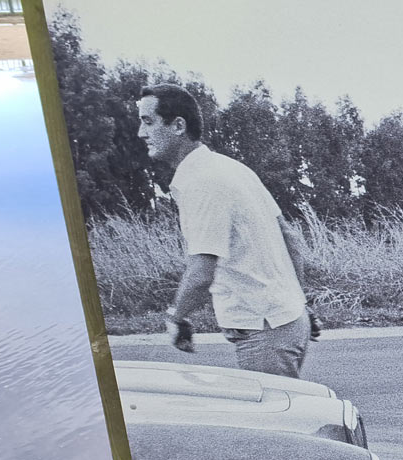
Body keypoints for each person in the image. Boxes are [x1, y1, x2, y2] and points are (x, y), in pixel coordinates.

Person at [135, 83, 317, 377]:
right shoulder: (231, 168)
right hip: (285, 321)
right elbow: (290, 239)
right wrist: (299, 303)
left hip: (264, 329)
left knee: (270, 420)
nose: (141, 133)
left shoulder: (201, 181)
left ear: (178, 125)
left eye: (148, 122)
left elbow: (201, 271)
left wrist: (177, 316)